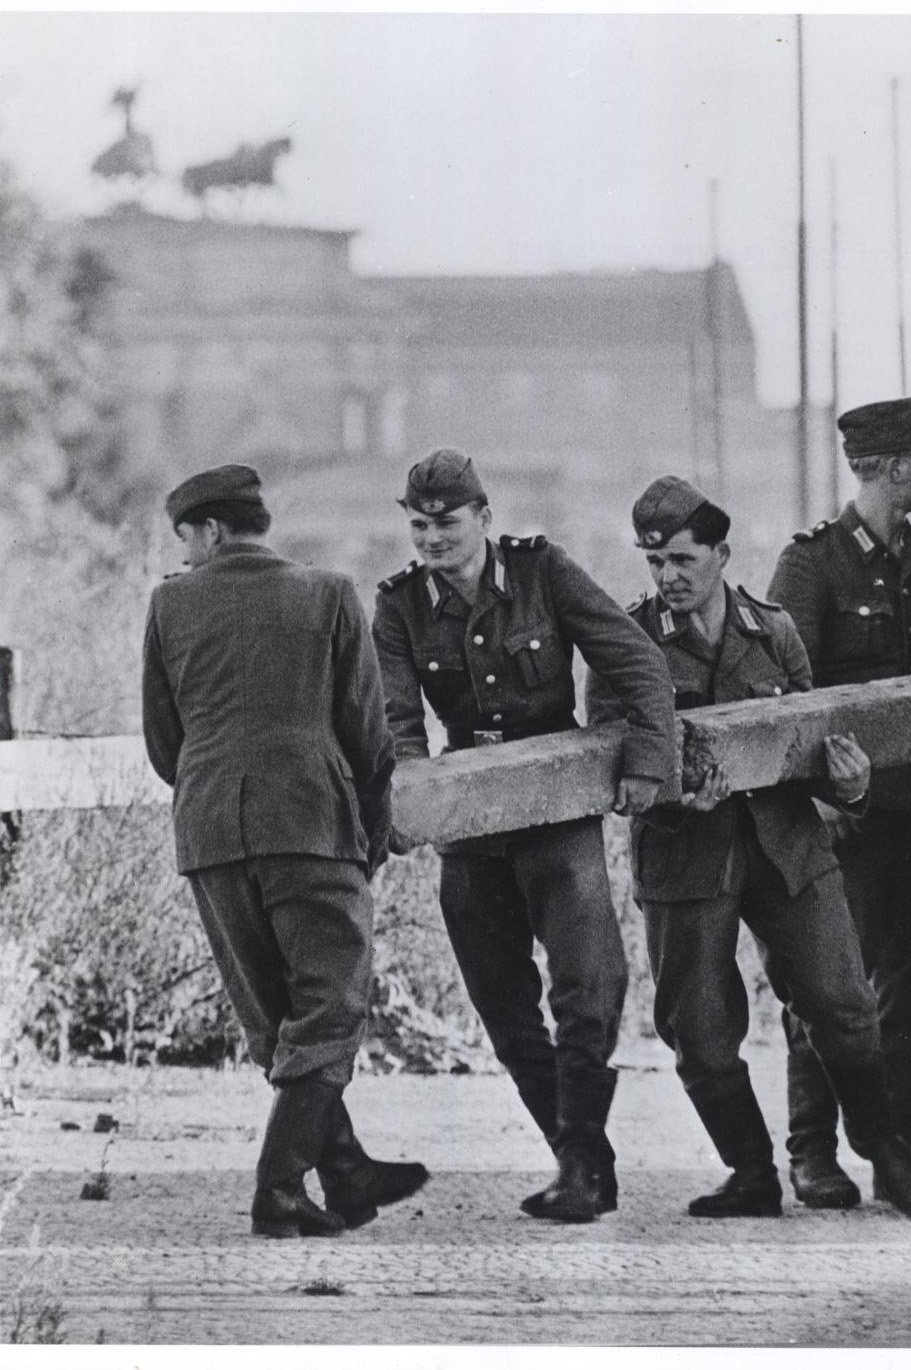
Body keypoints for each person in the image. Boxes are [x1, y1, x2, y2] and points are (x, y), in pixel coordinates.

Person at [586, 474, 911, 1218]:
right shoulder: (626, 646)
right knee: (699, 1029)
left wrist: (849, 785)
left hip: (787, 847)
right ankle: (750, 1171)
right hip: (685, 858)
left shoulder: (772, 631)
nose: (667, 576)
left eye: (682, 559)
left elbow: (811, 746)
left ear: (721, 554)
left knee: (844, 1004)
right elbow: (611, 770)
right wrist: (672, 798)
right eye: (654, 562)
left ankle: (885, 1150)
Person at [371, 448, 678, 1223]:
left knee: (588, 988)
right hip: (469, 822)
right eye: (418, 526)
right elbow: (397, 723)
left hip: (555, 810)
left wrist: (647, 761)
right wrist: (413, 801)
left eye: (446, 523)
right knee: (504, 1011)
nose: (431, 539)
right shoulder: (399, 607)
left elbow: (637, 662)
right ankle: (581, 1162)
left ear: (483, 518)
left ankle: (579, 1163)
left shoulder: (544, 573)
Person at [142, 463, 428, 1238]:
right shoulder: (328, 594)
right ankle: (279, 1187)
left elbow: (164, 746)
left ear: (210, 530)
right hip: (309, 822)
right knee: (331, 1004)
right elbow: (369, 734)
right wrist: (369, 834)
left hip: (209, 833)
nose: (187, 554)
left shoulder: (168, 603)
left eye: (187, 539)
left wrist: (214, 782)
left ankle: (347, 1170)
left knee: (274, 1014)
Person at [768, 397, 911, 1210]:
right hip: (845, 818)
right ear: (890, 467)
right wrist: (813, 802)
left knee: (906, 989)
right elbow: (785, 695)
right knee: (825, 988)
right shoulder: (811, 565)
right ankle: (812, 1152)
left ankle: (895, 1150)